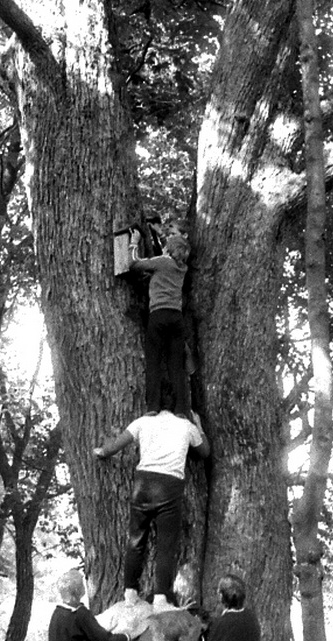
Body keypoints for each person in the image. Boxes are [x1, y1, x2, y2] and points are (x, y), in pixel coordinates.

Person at [93, 404, 210, 610]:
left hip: (144, 484)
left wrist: (101, 451)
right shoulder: (186, 425)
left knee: (136, 539)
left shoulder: (143, 421)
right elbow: (205, 452)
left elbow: (114, 446)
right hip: (170, 487)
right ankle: (160, 598)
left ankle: (130, 592)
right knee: (166, 545)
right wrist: (199, 426)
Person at [128, 227, 191, 416]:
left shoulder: (163, 262)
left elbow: (134, 263)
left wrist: (134, 242)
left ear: (169, 250)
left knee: (154, 361)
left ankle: (153, 407)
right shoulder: (182, 268)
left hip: (159, 315)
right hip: (176, 318)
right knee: (176, 365)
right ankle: (181, 409)